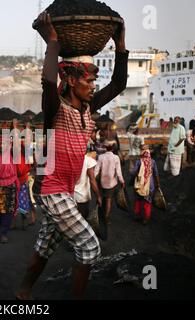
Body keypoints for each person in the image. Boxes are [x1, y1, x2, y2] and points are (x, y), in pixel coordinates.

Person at [16, 12, 128, 300]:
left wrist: (121, 45)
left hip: (64, 190)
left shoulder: (88, 109)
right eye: (88, 80)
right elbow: (46, 83)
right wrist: (52, 41)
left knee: (44, 247)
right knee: (90, 247)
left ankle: (23, 291)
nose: (93, 86)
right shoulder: (55, 109)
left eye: (93, 81)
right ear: (68, 79)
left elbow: (118, 85)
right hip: (51, 189)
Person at [0, 136, 18, 243]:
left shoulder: (13, 156)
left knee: (8, 211)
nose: (2, 145)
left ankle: (3, 233)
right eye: (1, 143)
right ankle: (3, 226)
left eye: (5, 143)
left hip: (10, 186)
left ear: (9, 145)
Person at [95, 141, 126, 224]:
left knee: (101, 198)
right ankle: (107, 218)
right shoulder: (116, 158)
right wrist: (122, 181)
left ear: (105, 148)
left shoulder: (101, 157)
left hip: (102, 182)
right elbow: (119, 172)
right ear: (113, 148)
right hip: (111, 183)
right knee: (109, 200)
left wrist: (93, 180)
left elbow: (96, 170)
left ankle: (98, 216)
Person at [131, 145, 160, 225]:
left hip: (140, 185)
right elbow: (156, 174)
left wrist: (136, 175)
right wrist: (158, 184)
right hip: (150, 186)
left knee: (138, 200)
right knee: (147, 202)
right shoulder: (152, 162)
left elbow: (133, 173)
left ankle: (137, 215)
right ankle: (145, 219)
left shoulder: (139, 161)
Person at [74, 151, 102, 219]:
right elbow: (92, 180)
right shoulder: (87, 160)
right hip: (82, 197)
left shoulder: (67, 158)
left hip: (68, 196)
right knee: (82, 219)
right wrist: (98, 196)